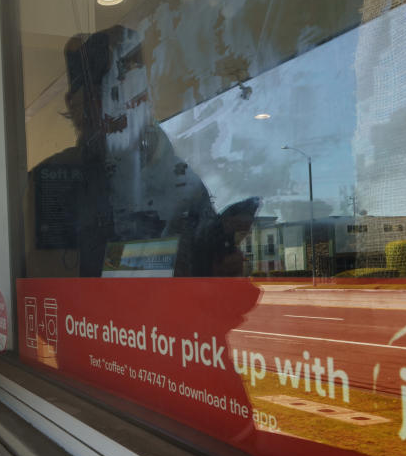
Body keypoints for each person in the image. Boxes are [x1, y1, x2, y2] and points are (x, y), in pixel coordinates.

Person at [27, 25, 258, 278]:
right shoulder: (50, 182)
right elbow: (47, 291)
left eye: (133, 91)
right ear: (75, 105)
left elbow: (215, 282)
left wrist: (224, 267)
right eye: (104, 92)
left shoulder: (185, 184)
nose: (120, 106)